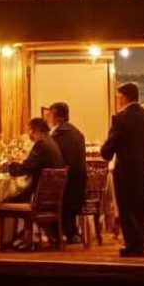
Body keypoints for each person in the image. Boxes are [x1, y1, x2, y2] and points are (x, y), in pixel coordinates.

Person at [99, 85, 144, 256]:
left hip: (124, 169)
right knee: (141, 206)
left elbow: (107, 151)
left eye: (118, 97)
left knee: (126, 208)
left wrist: (104, 151)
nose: (118, 101)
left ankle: (131, 245)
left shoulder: (119, 119)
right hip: (142, 169)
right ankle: (142, 245)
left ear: (124, 98)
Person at [47, 101, 91, 243]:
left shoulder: (59, 135)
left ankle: (54, 232)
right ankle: (70, 231)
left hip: (67, 188)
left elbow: (55, 162)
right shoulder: (77, 133)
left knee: (38, 191)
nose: (47, 119)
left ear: (58, 118)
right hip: (78, 186)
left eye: (49, 115)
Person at [2, 117, 63, 200]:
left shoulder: (41, 144)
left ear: (35, 130)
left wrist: (8, 167)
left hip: (37, 196)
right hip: (49, 194)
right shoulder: (50, 141)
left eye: (30, 130)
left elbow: (26, 168)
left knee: (0, 199)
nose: (29, 133)